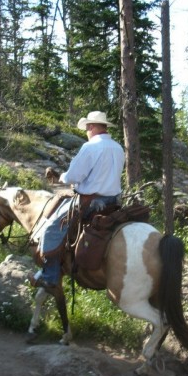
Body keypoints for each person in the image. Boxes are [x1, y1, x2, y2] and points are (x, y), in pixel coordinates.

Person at [28, 111, 125, 289]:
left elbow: (74, 176)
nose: (87, 131)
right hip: (114, 202)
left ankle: (49, 276)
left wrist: (63, 177)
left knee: (51, 230)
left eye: (87, 128)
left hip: (91, 202)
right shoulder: (118, 147)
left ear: (91, 127)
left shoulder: (90, 147)